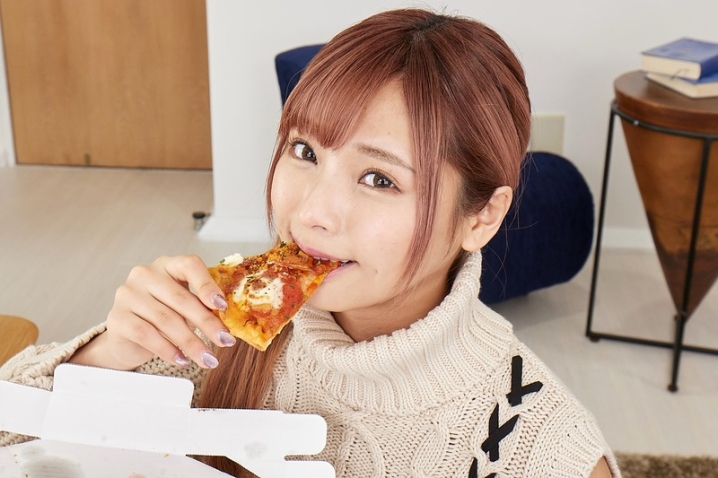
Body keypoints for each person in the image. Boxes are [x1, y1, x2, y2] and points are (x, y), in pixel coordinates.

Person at [0, 8, 620, 478]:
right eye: (305, 150)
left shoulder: (544, 451)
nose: (312, 214)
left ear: (482, 217)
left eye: (380, 179)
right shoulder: (221, 323)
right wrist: (108, 353)